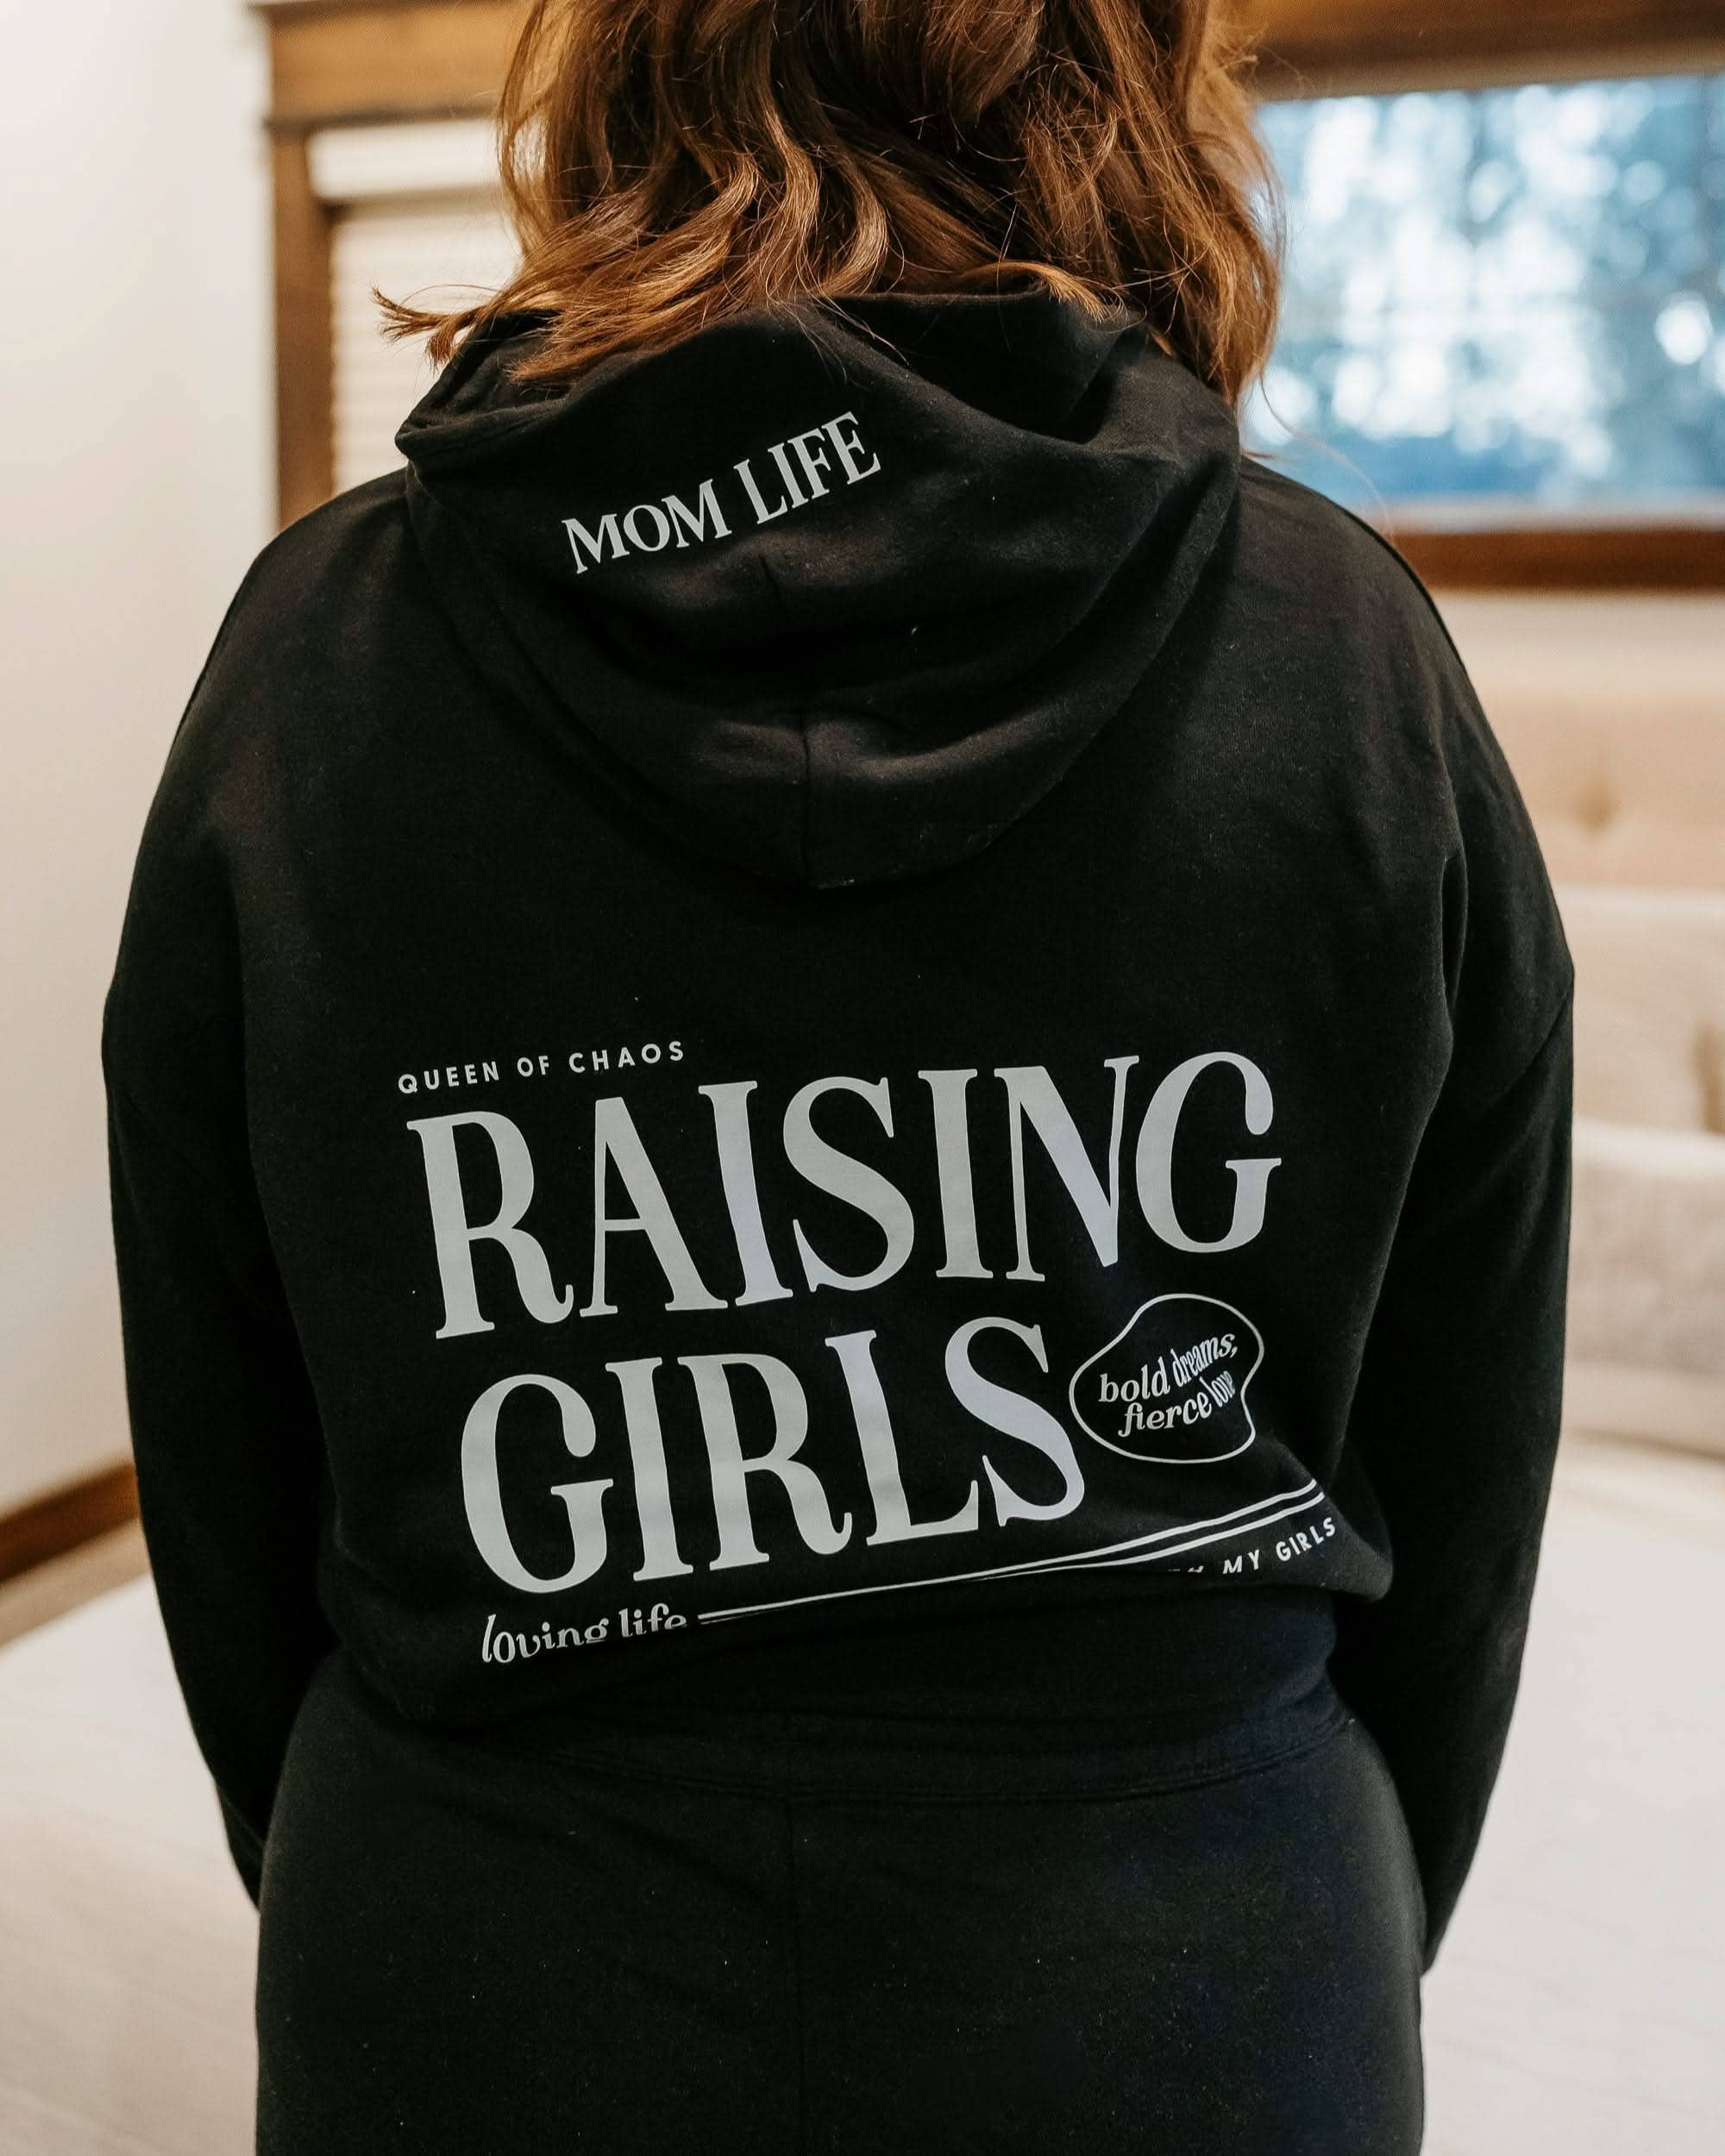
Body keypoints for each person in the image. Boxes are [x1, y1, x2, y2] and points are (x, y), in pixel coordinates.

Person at [101, 1, 1573, 2149]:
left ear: (624, 80)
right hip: (1191, 1967)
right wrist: (1300, 1904)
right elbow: (1469, 1456)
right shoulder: (1337, 650)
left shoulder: (316, 659)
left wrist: (378, 1853)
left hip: (478, 1965)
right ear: (1122, 91)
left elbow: (217, 1437)